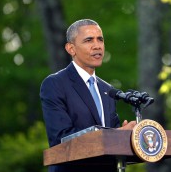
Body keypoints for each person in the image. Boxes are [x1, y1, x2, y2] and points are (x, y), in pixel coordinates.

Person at [40, 19, 136, 172]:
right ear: (71, 48)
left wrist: (126, 136)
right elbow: (61, 139)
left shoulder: (108, 89)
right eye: (89, 40)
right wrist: (116, 134)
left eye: (100, 39)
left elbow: (112, 140)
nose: (97, 45)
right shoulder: (55, 84)